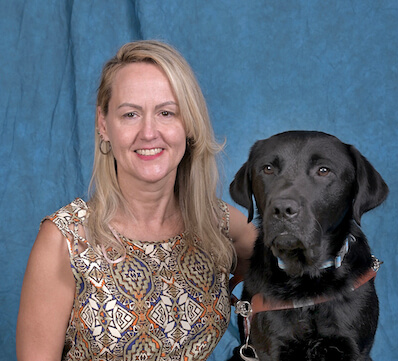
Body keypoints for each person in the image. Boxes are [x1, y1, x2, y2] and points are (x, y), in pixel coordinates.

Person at [16, 40, 257, 361]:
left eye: (166, 112)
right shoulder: (66, 240)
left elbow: (286, 270)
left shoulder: (218, 224)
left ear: (189, 124)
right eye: (130, 114)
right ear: (104, 125)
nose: (148, 132)